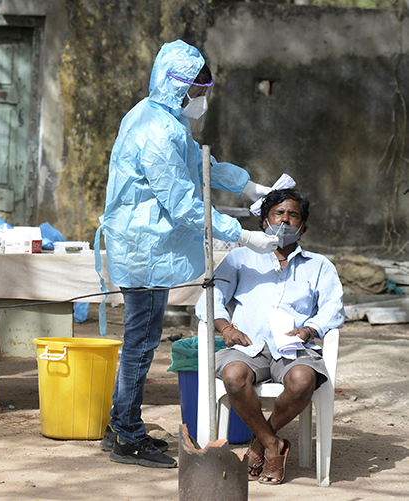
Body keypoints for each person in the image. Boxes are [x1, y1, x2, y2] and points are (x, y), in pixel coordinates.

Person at [97, 40, 280, 468]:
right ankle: (127, 435)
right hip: (143, 249)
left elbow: (199, 165)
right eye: (197, 92)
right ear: (177, 88)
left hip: (148, 248)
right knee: (140, 344)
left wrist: (248, 185)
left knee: (138, 343)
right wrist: (240, 235)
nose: (201, 100)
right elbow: (181, 203)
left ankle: (120, 425)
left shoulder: (162, 118)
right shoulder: (157, 130)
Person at [196, 188, 344, 485]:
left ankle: (259, 442)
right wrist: (227, 328)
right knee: (234, 376)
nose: (285, 222)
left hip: (294, 348)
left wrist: (310, 328)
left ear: (303, 226)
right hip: (248, 346)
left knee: (303, 381)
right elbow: (209, 302)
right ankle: (274, 444)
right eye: (278, 214)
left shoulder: (319, 266)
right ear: (264, 221)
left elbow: (334, 309)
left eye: (293, 216)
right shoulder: (240, 258)